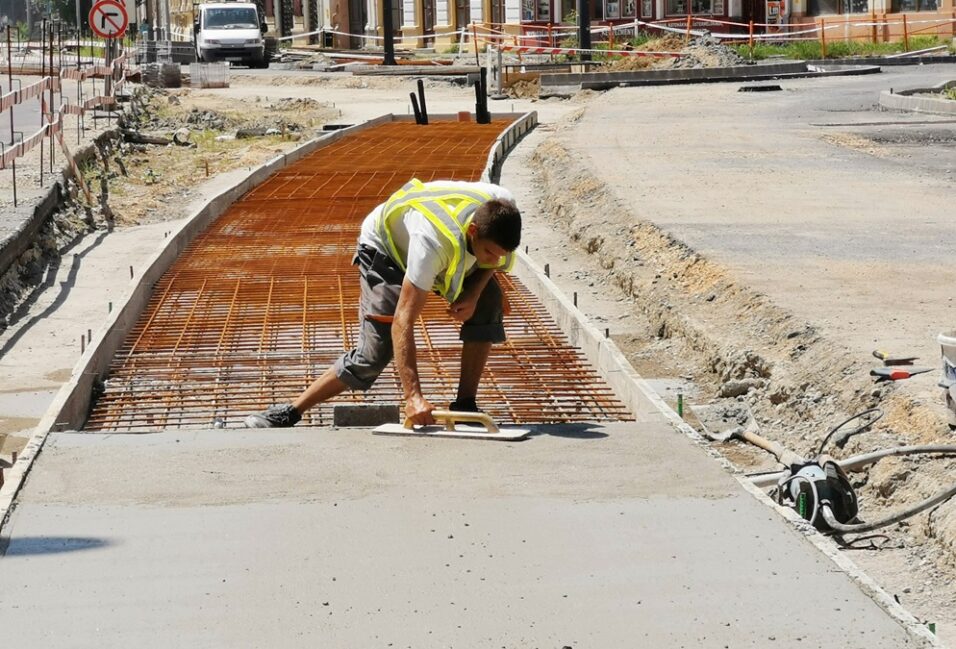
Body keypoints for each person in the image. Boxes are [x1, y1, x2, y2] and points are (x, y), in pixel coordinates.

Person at [244, 178, 522, 428]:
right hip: (385, 251)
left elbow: (495, 258)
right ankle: (291, 410)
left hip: (436, 245)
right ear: (473, 230)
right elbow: (404, 320)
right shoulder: (432, 243)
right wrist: (413, 396)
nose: (495, 261)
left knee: (490, 300)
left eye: (500, 255)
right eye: (489, 252)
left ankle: (465, 405)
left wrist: (474, 293)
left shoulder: (503, 206)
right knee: (375, 352)